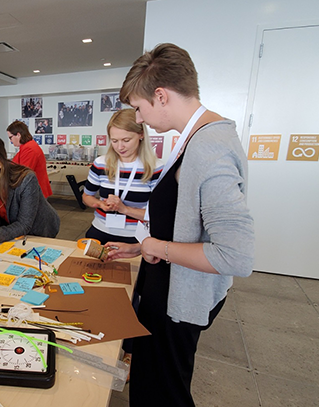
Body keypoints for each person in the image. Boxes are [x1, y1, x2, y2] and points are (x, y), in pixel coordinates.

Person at [108, 43, 254, 406]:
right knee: (149, 381)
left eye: (139, 108)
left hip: (180, 296)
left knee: (165, 391)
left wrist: (158, 248)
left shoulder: (210, 147)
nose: (138, 119)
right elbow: (181, 216)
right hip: (167, 285)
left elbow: (236, 254)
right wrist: (143, 245)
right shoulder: (195, 138)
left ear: (161, 95)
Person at [83, 109, 161, 245]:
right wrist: (101, 204)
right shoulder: (101, 164)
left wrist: (124, 209)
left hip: (136, 238)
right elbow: (86, 197)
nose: (120, 147)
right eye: (114, 141)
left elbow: (158, 214)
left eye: (126, 140)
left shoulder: (156, 168)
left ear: (141, 135)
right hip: (100, 231)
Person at [8, 120, 52, 198]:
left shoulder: (29, 149)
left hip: (34, 191)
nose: (10, 141)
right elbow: (14, 164)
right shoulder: (25, 147)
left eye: (10, 137)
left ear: (18, 135)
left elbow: (23, 173)